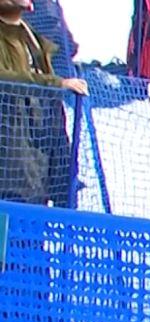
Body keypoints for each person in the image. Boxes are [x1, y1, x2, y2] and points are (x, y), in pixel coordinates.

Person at [0, 0, 85, 207]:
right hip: (9, 177)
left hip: (38, 175)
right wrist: (55, 83)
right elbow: (6, 79)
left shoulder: (35, 40)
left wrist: (63, 178)